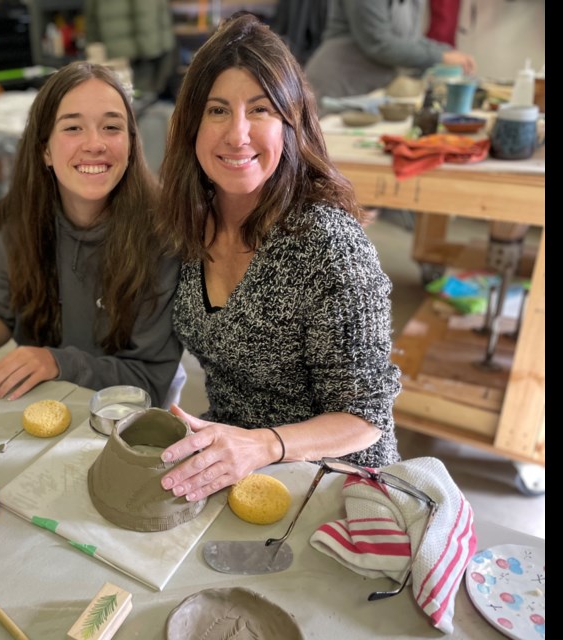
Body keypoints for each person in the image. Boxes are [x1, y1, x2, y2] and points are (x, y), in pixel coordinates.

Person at [156, 14, 401, 504]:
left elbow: (365, 417)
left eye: (261, 110)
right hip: (238, 472)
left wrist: (263, 444)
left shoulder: (328, 245)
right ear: (191, 125)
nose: (237, 134)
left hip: (338, 486)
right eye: (218, 110)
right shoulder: (187, 224)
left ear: (291, 123)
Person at [0, 61, 183, 406]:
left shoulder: (163, 236)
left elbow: (150, 381)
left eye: (112, 127)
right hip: (42, 400)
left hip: (124, 414)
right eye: (73, 128)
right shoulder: (19, 219)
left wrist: (56, 362)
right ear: (45, 149)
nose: (95, 144)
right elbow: (1, 312)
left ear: (130, 144)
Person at [304, 0, 476, 104]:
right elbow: (379, 43)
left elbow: (409, 39)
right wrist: (441, 56)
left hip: (370, 91)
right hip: (337, 86)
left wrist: (448, 52)